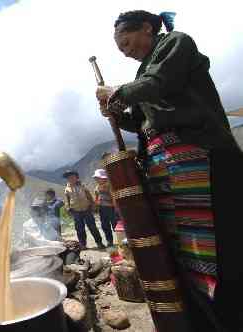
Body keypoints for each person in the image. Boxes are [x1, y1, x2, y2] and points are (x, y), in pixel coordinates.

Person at [95, 10, 243, 331]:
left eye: (126, 40)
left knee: (220, 250)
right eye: (119, 46)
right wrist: (116, 113)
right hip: (168, 171)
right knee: (185, 253)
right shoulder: (145, 72)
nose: (123, 49)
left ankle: (230, 316)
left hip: (201, 159)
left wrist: (118, 93)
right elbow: (142, 122)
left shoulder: (175, 44)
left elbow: (159, 83)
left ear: (147, 28)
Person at [63, 170, 105, 250]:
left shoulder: (82, 186)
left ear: (76, 177)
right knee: (79, 229)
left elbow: (89, 196)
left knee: (92, 227)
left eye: (72, 177)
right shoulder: (67, 189)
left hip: (86, 209)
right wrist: (68, 209)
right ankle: (83, 244)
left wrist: (93, 205)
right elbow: (67, 200)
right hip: (76, 211)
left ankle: (99, 242)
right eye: (69, 177)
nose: (71, 179)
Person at [92, 168, 116, 247]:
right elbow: (96, 198)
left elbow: (114, 196)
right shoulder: (97, 188)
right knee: (105, 226)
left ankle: (121, 240)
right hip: (102, 209)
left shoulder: (110, 185)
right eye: (96, 178)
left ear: (103, 177)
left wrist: (116, 207)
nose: (96, 179)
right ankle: (109, 241)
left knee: (115, 224)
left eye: (98, 178)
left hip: (111, 208)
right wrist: (95, 206)